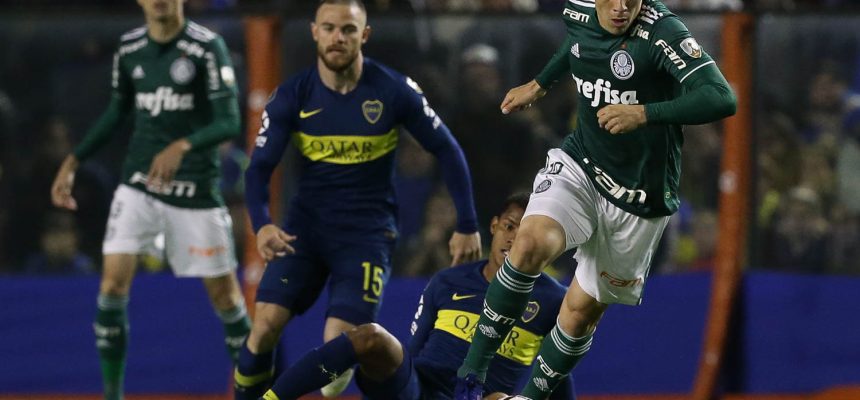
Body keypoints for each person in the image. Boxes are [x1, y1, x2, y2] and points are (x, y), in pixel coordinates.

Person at [453, 0, 737, 398]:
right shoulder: (579, 10)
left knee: (580, 311)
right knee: (530, 242)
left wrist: (646, 112)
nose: (621, 8)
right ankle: (470, 375)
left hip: (638, 196)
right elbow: (576, 43)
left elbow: (722, 97)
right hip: (581, 164)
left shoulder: (663, 32)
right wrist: (539, 84)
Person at [238, 0, 482, 398]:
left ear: (364, 35)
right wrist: (262, 222)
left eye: (348, 30)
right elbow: (259, 168)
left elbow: (447, 149)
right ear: (315, 32)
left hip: (366, 235)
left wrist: (467, 224)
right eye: (330, 28)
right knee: (263, 326)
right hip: (305, 231)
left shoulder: (393, 90)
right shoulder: (293, 96)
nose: (338, 37)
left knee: (337, 374)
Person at [50, 1, 251, 399]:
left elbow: (230, 120)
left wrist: (184, 144)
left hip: (194, 190)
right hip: (139, 185)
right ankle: (113, 394)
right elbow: (116, 112)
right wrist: (73, 160)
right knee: (111, 286)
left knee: (226, 297)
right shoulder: (129, 49)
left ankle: (260, 390)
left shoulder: (207, 47)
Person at [257, 193, 574, 400]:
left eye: (526, 234)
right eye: (509, 226)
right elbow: (414, 350)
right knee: (371, 336)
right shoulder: (448, 281)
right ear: (493, 226)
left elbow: (558, 373)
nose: (514, 239)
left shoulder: (553, 300)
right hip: (419, 390)